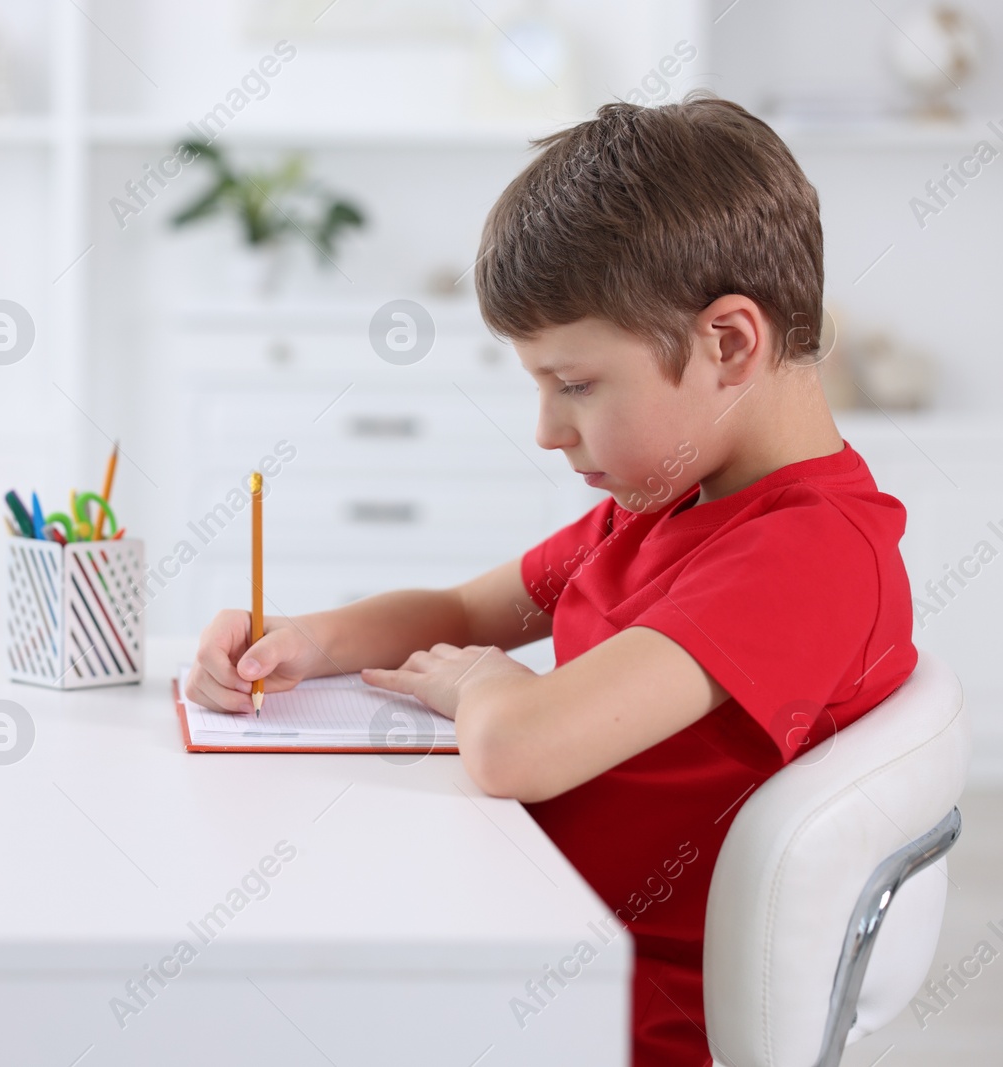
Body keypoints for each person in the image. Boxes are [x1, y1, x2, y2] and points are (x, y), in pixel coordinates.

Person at [184, 92, 917, 1066]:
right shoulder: (670, 499)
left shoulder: (806, 557)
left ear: (729, 343)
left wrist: (484, 684)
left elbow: (519, 745)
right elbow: (460, 609)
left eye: (573, 385)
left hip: (614, 1005)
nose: (546, 429)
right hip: (533, 925)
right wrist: (304, 637)